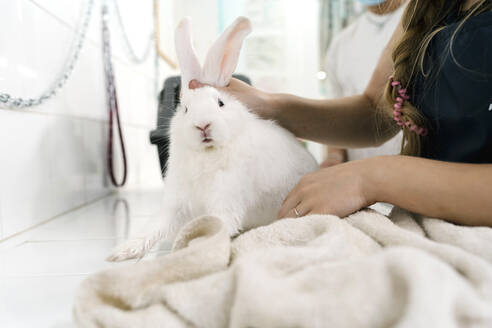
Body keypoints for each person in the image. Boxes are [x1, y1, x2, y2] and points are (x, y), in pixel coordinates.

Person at [190, 0, 492, 227]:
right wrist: (266, 105)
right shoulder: (425, 8)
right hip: (424, 223)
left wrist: (371, 178)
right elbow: (374, 112)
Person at [322, 0, 406, 168]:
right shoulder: (341, 44)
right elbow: (338, 113)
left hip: (414, 178)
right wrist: (333, 158)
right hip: (358, 180)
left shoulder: (422, 26)